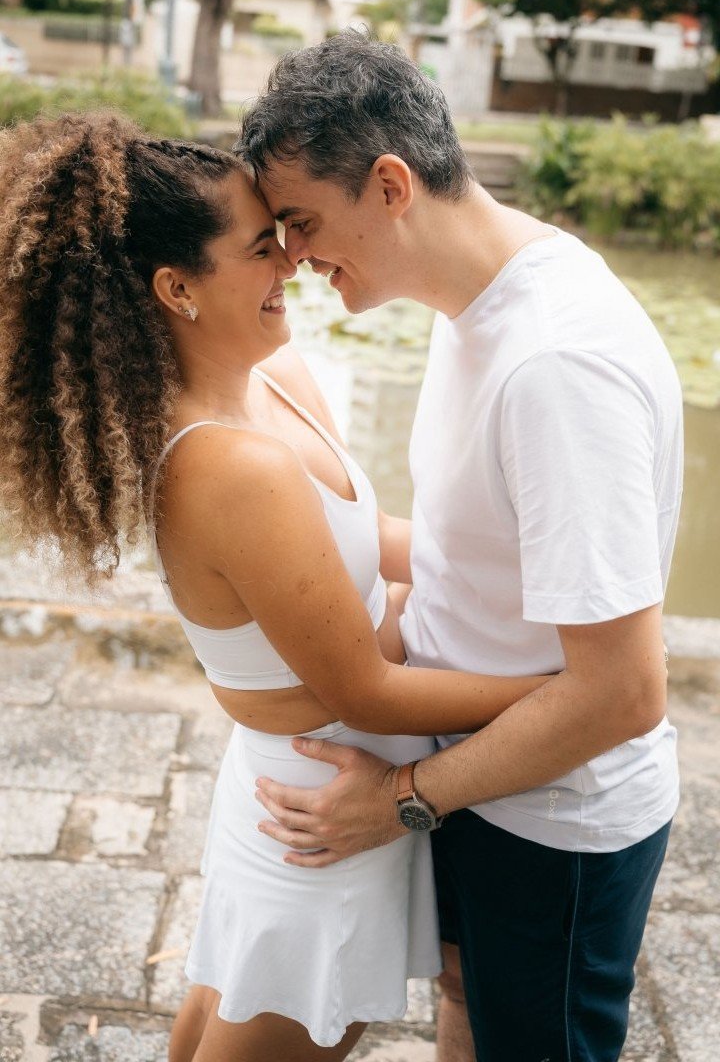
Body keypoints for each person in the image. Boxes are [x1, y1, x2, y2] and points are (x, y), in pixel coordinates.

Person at [0, 111, 551, 1062]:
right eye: (261, 246)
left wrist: (540, 568)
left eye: (284, 233)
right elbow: (366, 692)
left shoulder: (274, 371)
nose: (293, 259)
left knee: (216, 1016)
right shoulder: (224, 466)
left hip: (312, 786)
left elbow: (371, 539)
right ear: (177, 288)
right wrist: (563, 695)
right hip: (322, 812)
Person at [240, 30, 683, 1062]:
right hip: (479, 778)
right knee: (462, 1004)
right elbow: (471, 551)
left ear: (391, 185)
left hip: (556, 820)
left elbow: (624, 691)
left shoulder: (556, 365)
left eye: (303, 222)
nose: (293, 257)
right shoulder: (474, 300)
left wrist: (399, 804)